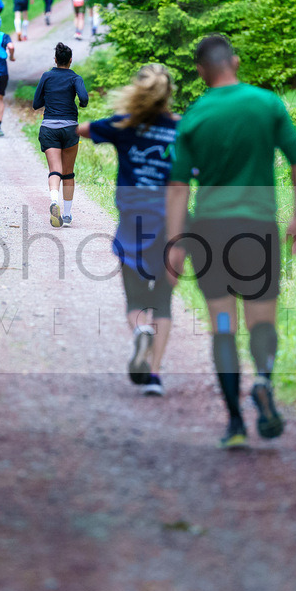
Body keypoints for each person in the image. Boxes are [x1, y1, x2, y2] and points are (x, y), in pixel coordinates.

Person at [165, 35, 296, 449]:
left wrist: (175, 242)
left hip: (209, 232)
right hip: (257, 229)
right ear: (236, 62)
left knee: (223, 326)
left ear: (200, 71)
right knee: (262, 320)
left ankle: (234, 424)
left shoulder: (194, 115)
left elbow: (178, 185)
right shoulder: (267, 104)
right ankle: (263, 379)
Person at [77, 64, 179, 396]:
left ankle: (140, 332)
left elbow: (83, 129)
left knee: (134, 300)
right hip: (169, 224)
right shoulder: (181, 129)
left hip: (132, 224)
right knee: (162, 302)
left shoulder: (124, 125)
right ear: (169, 94)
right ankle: (155, 375)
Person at [33, 42, 88, 228]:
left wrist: (50, 98)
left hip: (49, 128)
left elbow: (36, 103)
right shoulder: (75, 78)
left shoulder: (47, 76)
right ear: (70, 60)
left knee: (55, 170)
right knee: (68, 172)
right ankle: (67, 215)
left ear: (55, 59)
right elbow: (84, 98)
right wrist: (81, 104)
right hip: (70, 128)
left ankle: (54, 201)